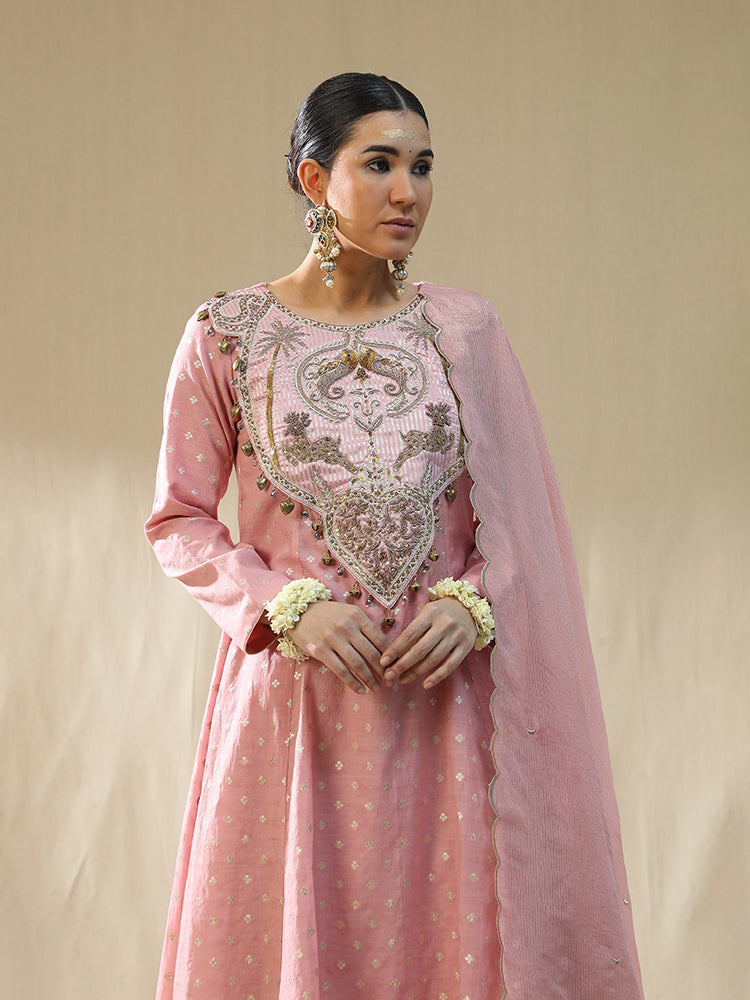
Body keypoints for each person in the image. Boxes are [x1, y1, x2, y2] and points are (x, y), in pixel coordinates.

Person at [145, 72, 644, 1000]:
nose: (408, 192)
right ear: (314, 180)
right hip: (297, 710)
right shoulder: (226, 336)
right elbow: (178, 519)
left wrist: (473, 604)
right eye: (378, 164)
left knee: (448, 950)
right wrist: (284, 608)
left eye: (422, 166)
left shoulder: (466, 332)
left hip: (442, 712)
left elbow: (523, 519)